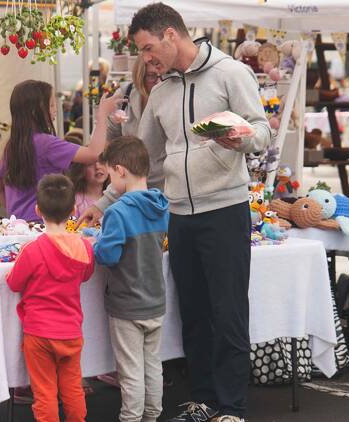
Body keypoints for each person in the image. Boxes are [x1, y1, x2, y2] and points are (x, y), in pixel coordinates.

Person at [81, 3, 271, 422]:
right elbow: (140, 160)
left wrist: (238, 138)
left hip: (225, 208)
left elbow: (262, 131)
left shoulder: (229, 73)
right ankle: (203, 400)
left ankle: (232, 408)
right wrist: (104, 202)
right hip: (179, 215)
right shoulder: (163, 91)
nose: (145, 59)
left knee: (229, 312)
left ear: (171, 35)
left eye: (148, 48)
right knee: (195, 314)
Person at [6, 174, 95, 422]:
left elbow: (14, 283)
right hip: (71, 331)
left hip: (39, 333)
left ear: (37, 209)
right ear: (74, 209)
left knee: (44, 394)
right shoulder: (85, 247)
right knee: (73, 389)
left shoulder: (32, 250)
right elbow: (86, 275)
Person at [93, 136, 169, 422]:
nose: (111, 182)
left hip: (127, 304)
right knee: (153, 365)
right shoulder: (162, 205)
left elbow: (108, 256)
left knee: (130, 370)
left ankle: (131, 418)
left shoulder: (117, 212)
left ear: (120, 170)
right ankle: (152, 415)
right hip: (155, 300)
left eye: (111, 174)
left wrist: (97, 242)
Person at [0, 79, 124, 222]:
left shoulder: (12, 145)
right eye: (51, 105)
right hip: (46, 224)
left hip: (17, 226)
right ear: (34, 111)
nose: (55, 110)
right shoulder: (46, 143)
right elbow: (94, 154)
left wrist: (15, 216)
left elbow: (0, 184)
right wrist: (102, 117)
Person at [107, 57, 161, 140]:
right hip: (126, 152)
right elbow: (110, 136)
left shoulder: (170, 98)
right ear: (139, 76)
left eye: (163, 75)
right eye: (151, 76)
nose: (158, 82)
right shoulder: (124, 94)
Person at [65, 130, 109, 218]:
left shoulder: (114, 198)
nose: (97, 167)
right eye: (90, 164)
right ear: (81, 170)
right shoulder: (75, 201)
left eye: (102, 161)